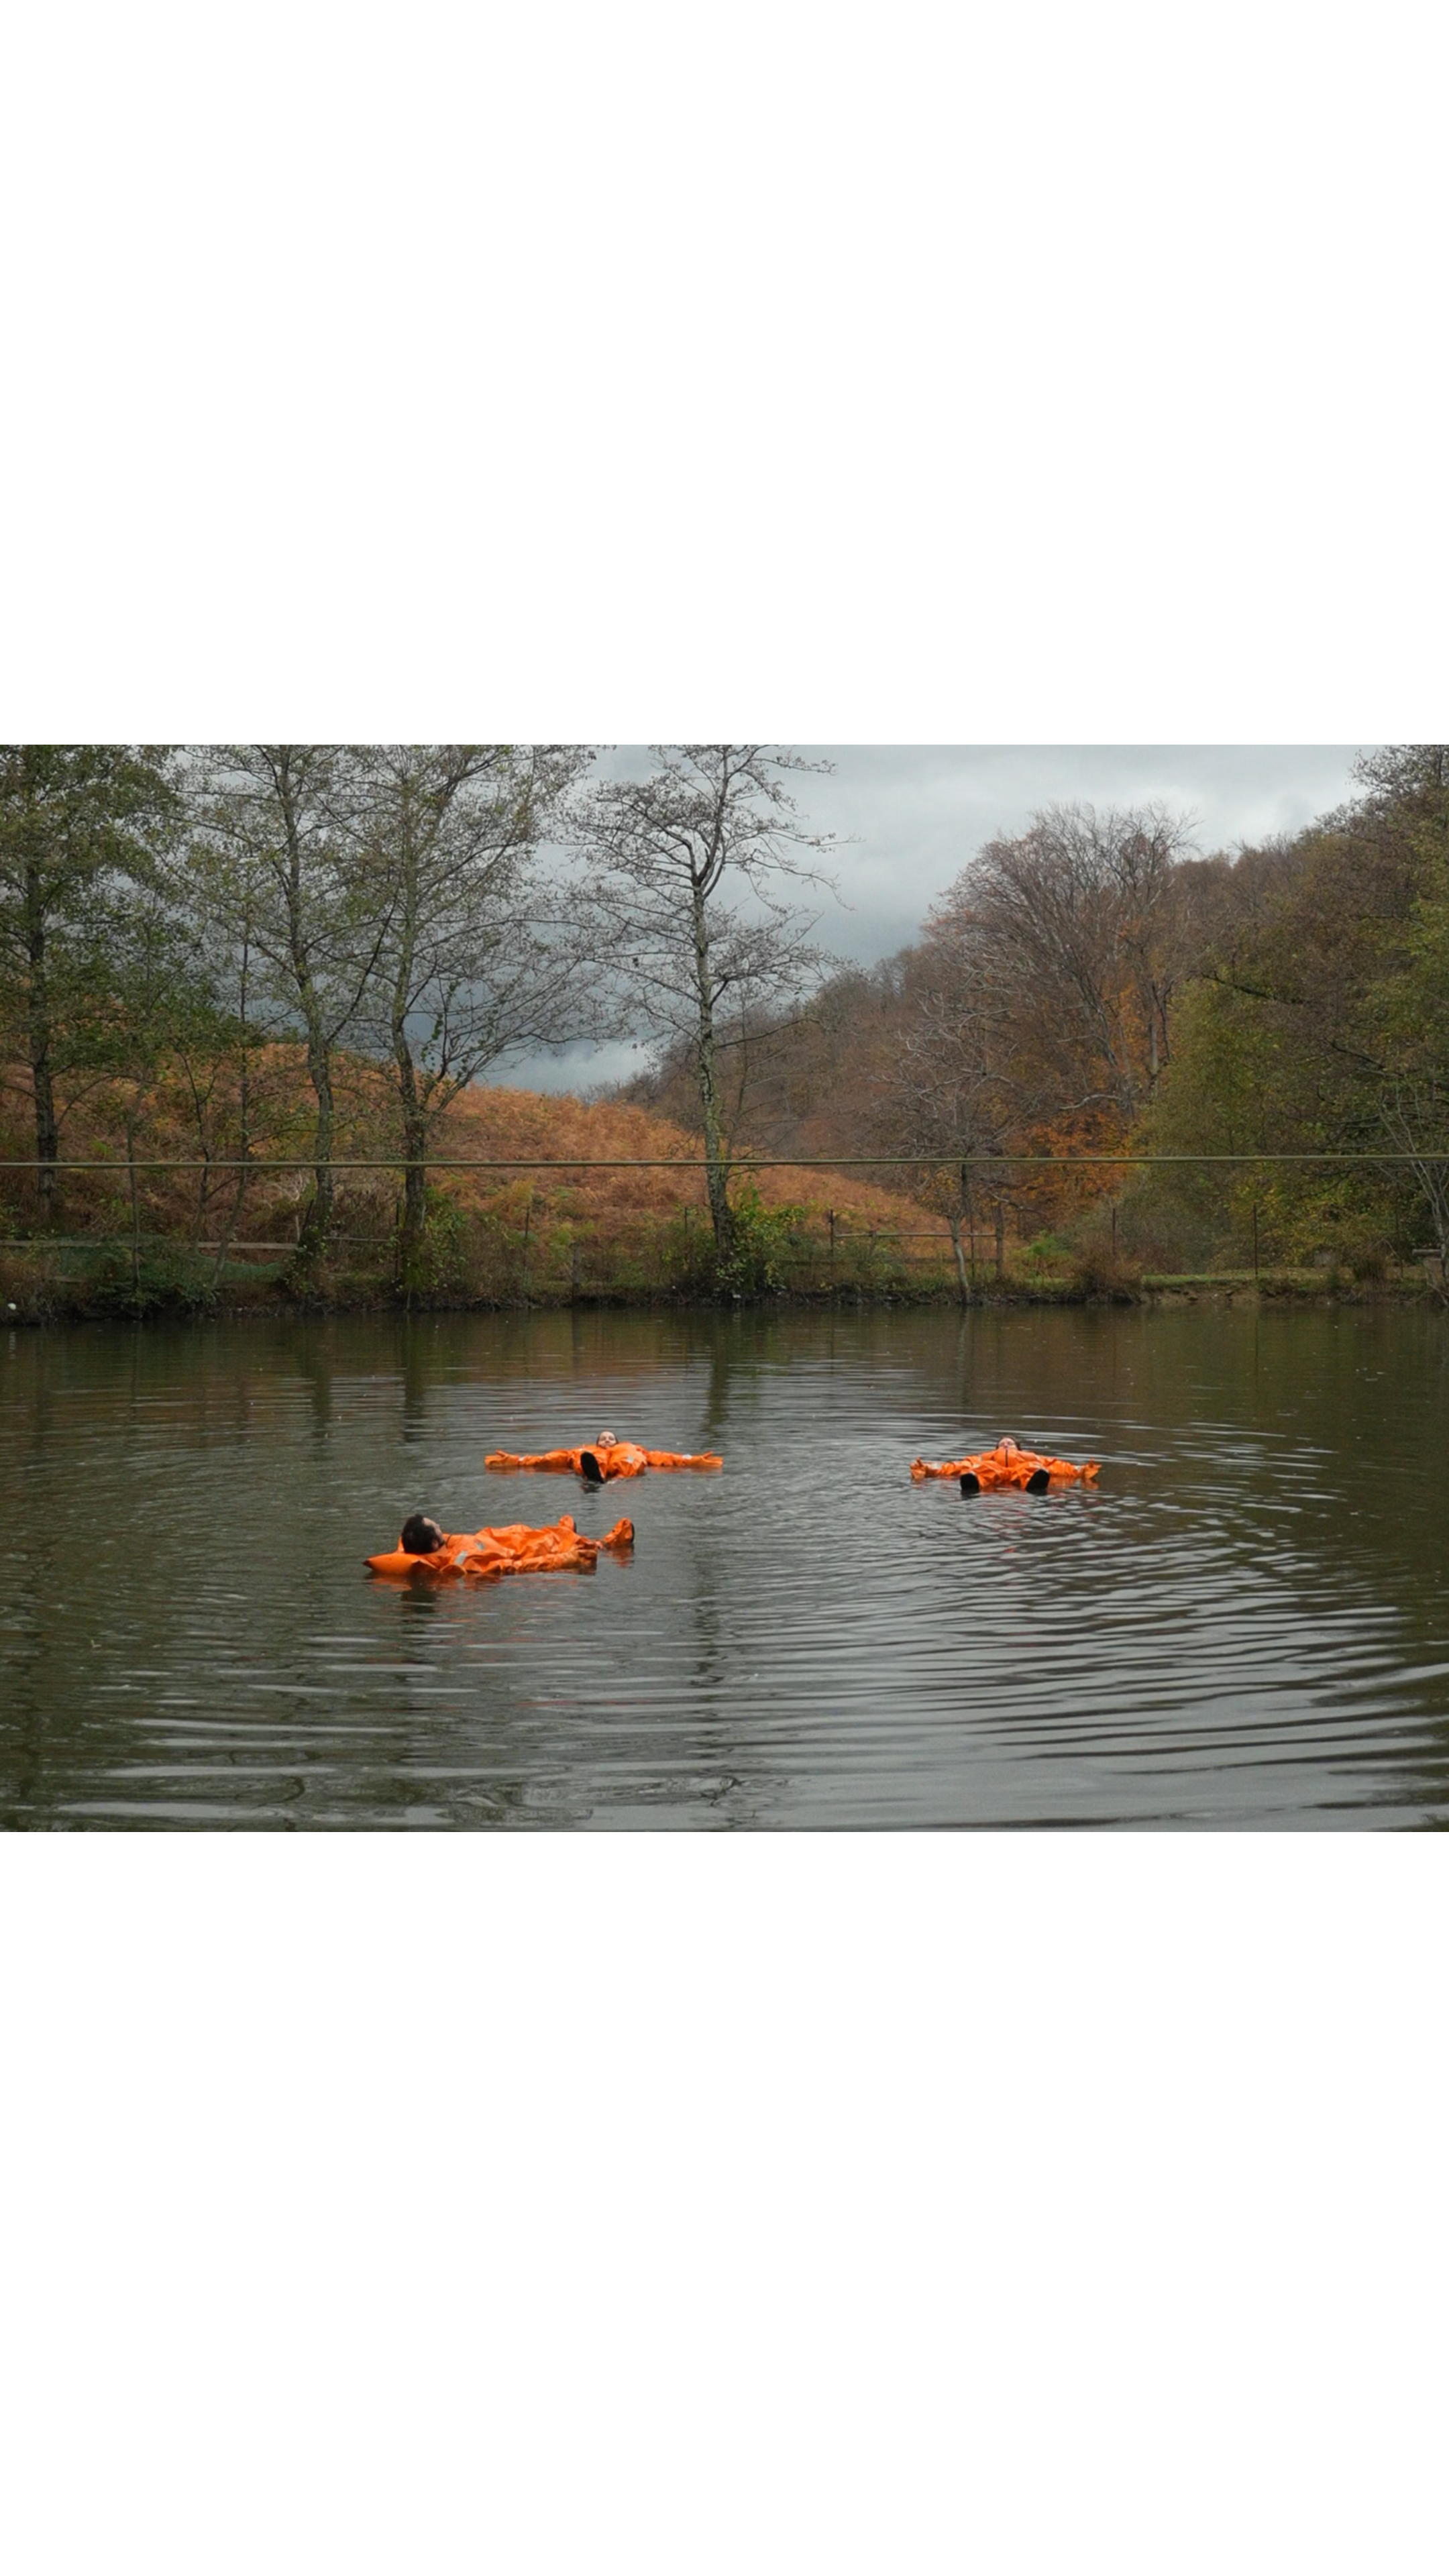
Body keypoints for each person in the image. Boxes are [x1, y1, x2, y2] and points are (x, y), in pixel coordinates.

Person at [366, 1511, 635, 1578]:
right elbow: (510, 1567)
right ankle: (607, 1544)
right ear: (436, 1541)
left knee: (550, 1533)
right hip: (526, 1549)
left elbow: (407, 1545)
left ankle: (564, 1532)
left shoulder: (427, 1542)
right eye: (435, 1524)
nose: (439, 1523)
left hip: (506, 1537)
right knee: (580, 1544)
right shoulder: (464, 1563)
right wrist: (570, 1561)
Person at [486, 1430, 722, 1482]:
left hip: (625, 1468)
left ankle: (617, 1479)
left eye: (611, 1438)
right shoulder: (585, 1449)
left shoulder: (634, 1448)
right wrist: (517, 1461)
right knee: (585, 1458)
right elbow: (548, 1459)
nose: (607, 1441)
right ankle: (595, 1475)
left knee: (628, 1462)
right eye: (603, 1438)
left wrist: (693, 1461)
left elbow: (665, 1458)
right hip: (593, 1465)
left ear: (618, 1441)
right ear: (597, 1441)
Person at [911, 1436, 1099, 1491]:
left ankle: (1034, 1484)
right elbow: (956, 1466)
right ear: (996, 1448)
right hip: (994, 1470)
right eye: (1002, 1443)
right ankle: (973, 1483)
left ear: (1018, 1448)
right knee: (982, 1470)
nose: (1005, 1444)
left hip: (1023, 1470)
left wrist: (1081, 1470)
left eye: (1009, 1443)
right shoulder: (986, 1458)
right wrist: (928, 1469)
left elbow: (1058, 1465)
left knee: (1034, 1470)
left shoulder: (1031, 1458)